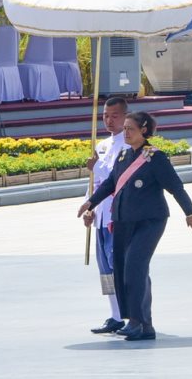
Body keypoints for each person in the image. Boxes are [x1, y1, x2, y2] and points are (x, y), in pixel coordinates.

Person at [77, 112, 192, 341]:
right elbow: (112, 183)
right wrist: (90, 201)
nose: (125, 133)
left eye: (130, 129)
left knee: (135, 265)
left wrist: (189, 212)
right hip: (123, 220)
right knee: (125, 268)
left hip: (149, 221)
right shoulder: (124, 156)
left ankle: (136, 321)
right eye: (124, 128)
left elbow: (175, 186)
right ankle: (144, 325)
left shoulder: (155, 157)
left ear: (143, 130)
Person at [83, 97, 130, 334]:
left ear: (124, 116)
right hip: (100, 216)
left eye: (114, 116)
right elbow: (94, 183)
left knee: (121, 266)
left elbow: (116, 178)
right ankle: (115, 315)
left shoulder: (128, 146)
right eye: (105, 116)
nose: (109, 121)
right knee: (105, 270)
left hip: (118, 216)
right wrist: (88, 206)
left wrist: (97, 167)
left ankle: (131, 315)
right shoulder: (101, 146)